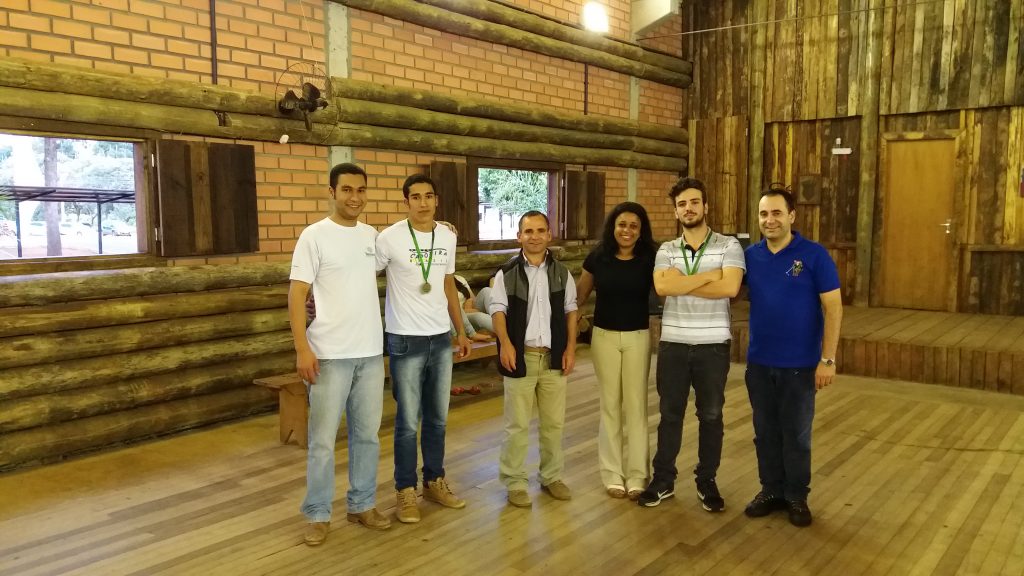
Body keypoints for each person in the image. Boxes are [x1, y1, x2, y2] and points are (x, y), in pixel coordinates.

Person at [288, 163, 390, 546]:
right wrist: (303, 348)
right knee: (322, 442)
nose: (354, 197)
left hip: (370, 353)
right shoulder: (314, 236)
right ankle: (318, 513)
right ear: (332, 192)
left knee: (367, 437)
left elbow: (402, 252)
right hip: (329, 354)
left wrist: (440, 229)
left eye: (361, 190)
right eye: (347, 190)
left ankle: (362, 504)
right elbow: (297, 294)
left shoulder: (372, 237)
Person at [637, 177, 745, 512]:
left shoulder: (729, 246)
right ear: (675, 211)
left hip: (713, 345)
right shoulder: (666, 249)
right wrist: (710, 276)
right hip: (673, 344)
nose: (688, 208)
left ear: (706, 206)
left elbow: (730, 289)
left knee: (711, 415)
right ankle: (663, 480)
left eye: (694, 202)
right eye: (682, 204)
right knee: (670, 414)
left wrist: (682, 282)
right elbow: (663, 289)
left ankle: (706, 481)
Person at [742, 186, 842, 527]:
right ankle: (771, 490)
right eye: (763, 214)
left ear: (792, 216)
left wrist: (827, 359)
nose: (769, 220)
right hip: (759, 363)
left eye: (776, 213)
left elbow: (833, 308)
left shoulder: (814, 255)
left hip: (800, 366)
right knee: (765, 432)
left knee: (796, 436)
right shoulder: (750, 256)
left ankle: (796, 496)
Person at [376, 174, 472, 524]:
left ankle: (434, 481)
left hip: (441, 339)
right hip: (405, 339)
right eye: (415, 197)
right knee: (407, 422)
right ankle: (405, 490)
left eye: (428, 196)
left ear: (436, 200)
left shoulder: (447, 236)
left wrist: (460, 331)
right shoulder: (388, 238)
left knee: (438, 418)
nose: (422, 202)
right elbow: (362, 276)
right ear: (406, 202)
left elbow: (447, 285)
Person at [489, 210, 578, 508]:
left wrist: (570, 348)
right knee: (516, 426)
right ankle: (515, 481)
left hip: (553, 358)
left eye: (540, 230)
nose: (535, 236)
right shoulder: (506, 273)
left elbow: (571, 312)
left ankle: (551, 476)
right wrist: (505, 344)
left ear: (549, 235)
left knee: (554, 424)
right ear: (519, 237)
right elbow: (498, 311)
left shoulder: (562, 273)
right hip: (520, 356)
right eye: (528, 231)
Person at [575, 202, 658, 501]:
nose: (627, 230)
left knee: (636, 406)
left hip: (638, 337)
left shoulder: (651, 258)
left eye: (634, 226)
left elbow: (666, 291)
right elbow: (579, 297)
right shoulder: (598, 256)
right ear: (613, 226)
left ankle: (637, 475)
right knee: (609, 406)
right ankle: (611, 473)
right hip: (604, 338)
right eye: (622, 224)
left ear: (641, 231)